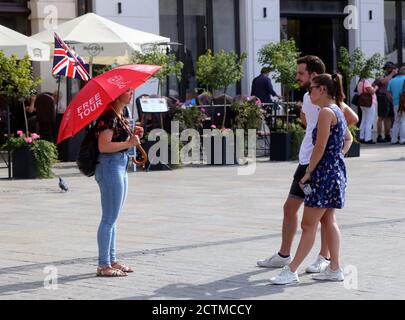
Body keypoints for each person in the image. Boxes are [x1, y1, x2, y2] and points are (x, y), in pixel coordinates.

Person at [257, 55, 358, 273]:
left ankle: (324, 258)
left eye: (301, 73)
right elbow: (307, 121)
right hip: (307, 162)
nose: (297, 77)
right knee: (292, 208)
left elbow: (351, 120)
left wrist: (333, 150)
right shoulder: (310, 97)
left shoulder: (330, 104)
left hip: (319, 166)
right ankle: (285, 255)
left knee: (323, 217)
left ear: (315, 76)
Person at [94, 88, 144, 277]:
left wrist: (134, 135)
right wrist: (128, 144)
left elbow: (120, 140)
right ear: (116, 94)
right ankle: (103, 265)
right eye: (127, 91)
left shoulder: (121, 114)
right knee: (108, 219)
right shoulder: (109, 116)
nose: (131, 93)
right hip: (110, 166)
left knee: (113, 218)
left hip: (120, 164)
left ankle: (112, 260)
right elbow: (103, 146)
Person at [374, 62, 397, 143]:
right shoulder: (382, 75)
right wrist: (391, 74)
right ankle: (379, 136)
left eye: (392, 68)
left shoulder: (393, 77)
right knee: (381, 117)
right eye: (390, 68)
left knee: (389, 117)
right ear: (386, 69)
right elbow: (382, 82)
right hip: (382, 97)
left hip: (390, 97)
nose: (391, 70)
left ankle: (387, 135)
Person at [387, 66, 405, 144]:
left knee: (396, 121)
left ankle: (393, 139)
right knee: (403, 121)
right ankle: (402, 139)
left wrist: (393, 100)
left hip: (395, 103)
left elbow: (388, 93)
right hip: (404, 103)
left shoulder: (392, 80)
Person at [357, 75, 378, 144]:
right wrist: (375, 88)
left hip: (363, 104)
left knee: (363, 120)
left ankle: (361, 137)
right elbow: (371, 92)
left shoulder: (359, 82)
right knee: (369, 121)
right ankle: (368, 138)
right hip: (369, 103)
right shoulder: (365, 82)